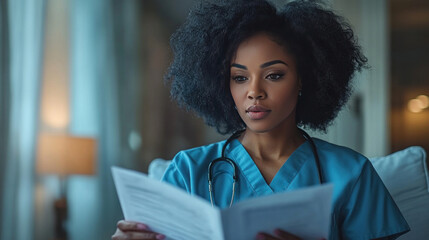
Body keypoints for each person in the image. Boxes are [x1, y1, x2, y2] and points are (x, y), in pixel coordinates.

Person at [112, 0, 410, 239]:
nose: (254, 92)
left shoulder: (353, 173)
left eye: (274, 75)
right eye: (239, 77)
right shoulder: (187, 171)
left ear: (305, 78)